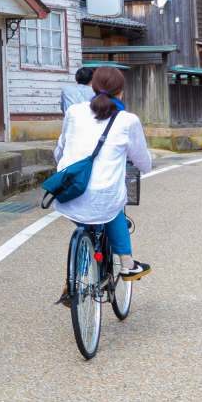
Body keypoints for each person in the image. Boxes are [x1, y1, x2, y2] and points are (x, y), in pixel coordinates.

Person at [52, 64, 152, 305]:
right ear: (121, 92)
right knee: (113, 204)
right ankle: (128, 264)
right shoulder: (128, 120)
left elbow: (60, 149)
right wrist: (148, 164)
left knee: (87, 226)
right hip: (103, 197)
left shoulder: (75, 112)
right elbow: (142, 161)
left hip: (67, 191)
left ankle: (74, 278)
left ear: (93, 88)